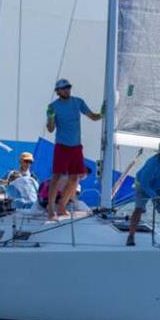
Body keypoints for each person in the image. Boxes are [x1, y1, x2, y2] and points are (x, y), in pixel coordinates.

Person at [45, 78, 102, 219]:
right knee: (56, 176)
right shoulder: (53, 106)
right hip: (62, 146)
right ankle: (51, 209)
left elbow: (93, 117)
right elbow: (50, 129)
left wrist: (104, 112)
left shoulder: (78, 102)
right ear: (58, 91)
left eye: (68, 87)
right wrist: (51, 117)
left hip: (76, 146)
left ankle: (61, 206)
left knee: (75, 178)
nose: (66, 90)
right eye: (63, 88)